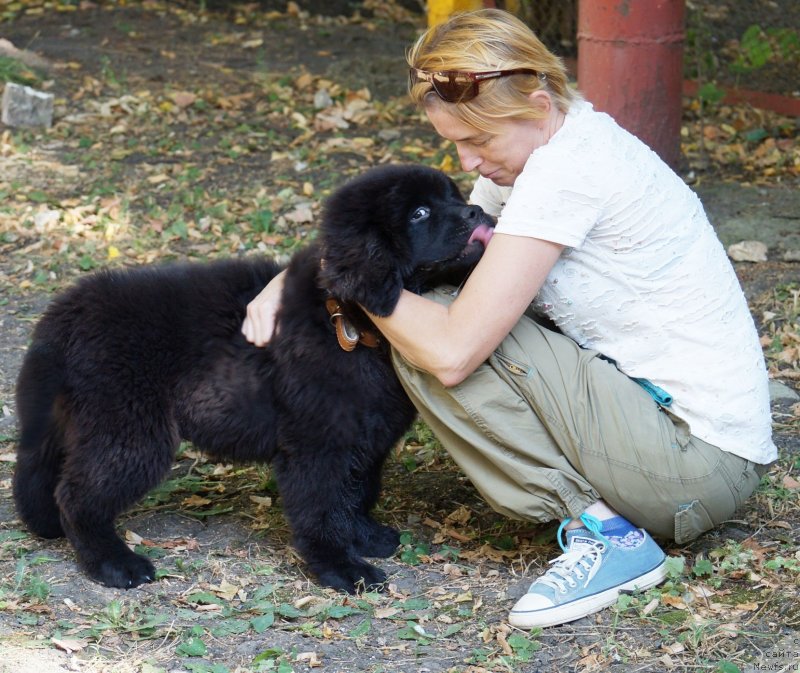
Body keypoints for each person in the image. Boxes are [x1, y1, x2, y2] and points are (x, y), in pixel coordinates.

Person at [242, 8, 776, 629]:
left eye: (480, 140)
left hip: (691, 467)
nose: (468, 163)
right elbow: (441, 248)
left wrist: (351, 283)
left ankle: (607, 536)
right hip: (668, 436)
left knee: (434, 329)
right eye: (456, 144)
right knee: (427, 304)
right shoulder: (551, 149)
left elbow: (450, 350)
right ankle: (602, 515)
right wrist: (304, 271)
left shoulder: (567, 173)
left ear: (539, 102)